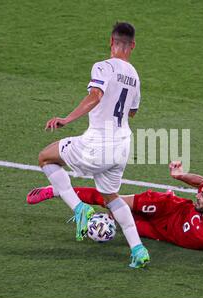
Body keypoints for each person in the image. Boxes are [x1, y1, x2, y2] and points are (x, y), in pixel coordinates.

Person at [37, 22, 149, 268]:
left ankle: (80, 209)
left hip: (98, 144)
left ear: (111, 41)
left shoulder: (103, 66)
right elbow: (131, 113)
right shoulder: (135, 76)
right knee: (112, 197)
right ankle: (138, 249)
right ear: (133, 46)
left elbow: (95, 96)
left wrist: (66, 118)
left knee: (46, 157)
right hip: (121, 146)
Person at [28, 161, 203, 275]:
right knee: (111, 200)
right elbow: (200, 181)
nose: (198, 195)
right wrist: (180, 175)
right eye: (201, 192)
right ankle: (57, 190)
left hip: (158, 233)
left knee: (115, 216)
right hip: (165, 206)